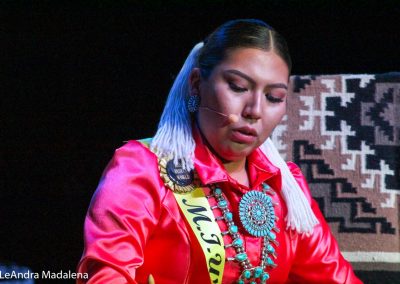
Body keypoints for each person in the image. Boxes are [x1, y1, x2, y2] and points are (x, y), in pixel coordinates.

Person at [77, 19, 362, 283]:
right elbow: (106, 273)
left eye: (274, 97)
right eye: (238, 87)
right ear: (197, 84)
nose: (254, 111)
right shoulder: (143, 169)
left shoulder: (285, 189)